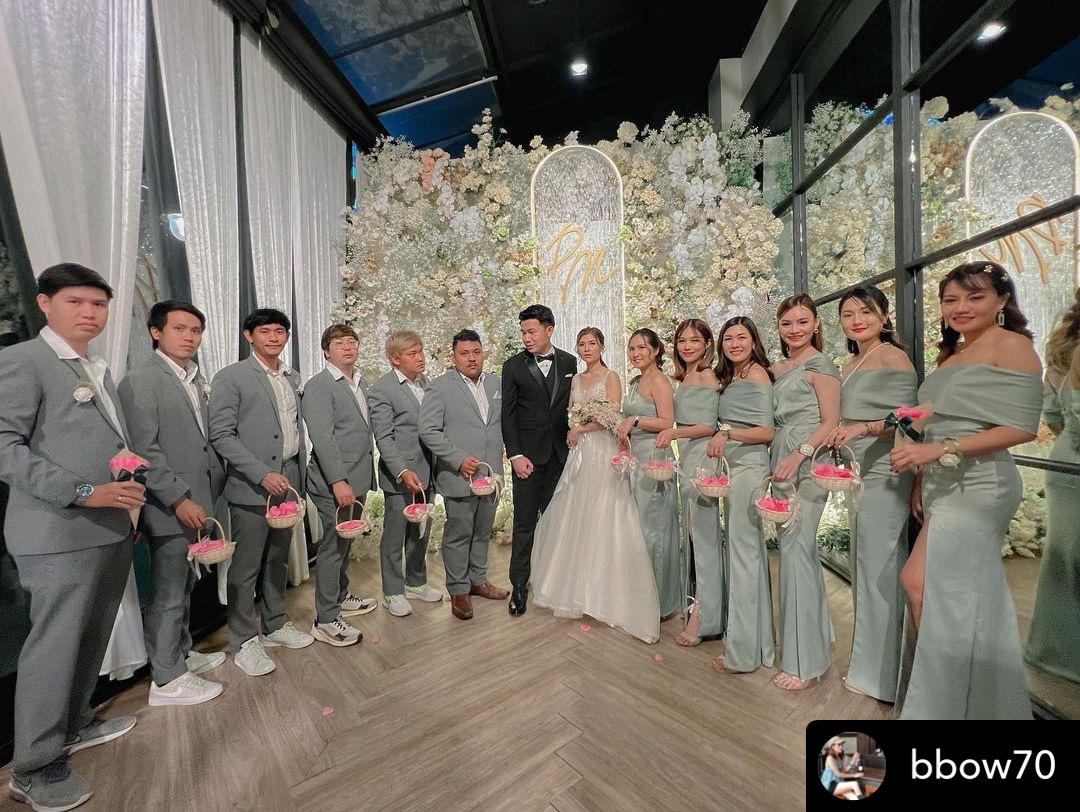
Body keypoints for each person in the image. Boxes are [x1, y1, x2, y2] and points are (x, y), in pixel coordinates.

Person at [0, 264, 141, 811]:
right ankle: (34, 767)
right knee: (54, 647)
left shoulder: (94, 368)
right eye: (76, 302)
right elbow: (6, 450)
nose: (89, 313)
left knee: (91, 633)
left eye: (98, 304)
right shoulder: (24, 361)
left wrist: (127, 475)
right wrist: (84, 491)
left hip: (109, 527)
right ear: (45, 303)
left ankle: (76, 722)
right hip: (57, 532)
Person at [892, 261, 1042, 719]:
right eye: (951, 299)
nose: (961, 308)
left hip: (981, 484)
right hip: (942, 483)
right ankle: (964, 702)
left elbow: (1022, 428)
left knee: (924, 584)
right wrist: (918, 466)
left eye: (975, 297)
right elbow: (927, 417)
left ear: (1002, 300)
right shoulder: (951, 356)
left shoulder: (1013, 346)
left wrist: (940, 449)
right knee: (943, 592)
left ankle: (946, 705)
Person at [117, 301, 227, 704]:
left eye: (196, 330)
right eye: (180, 328)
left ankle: (179, 653)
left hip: (199, 497)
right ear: (156, 332)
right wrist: (179, 498)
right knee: (167, 592)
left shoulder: (194, 377)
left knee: (184, 585)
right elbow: (143, 451)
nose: (190, 337)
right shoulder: (140, 381)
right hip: (169, 504)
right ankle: (166, 679)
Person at [530, 328, 661, 642]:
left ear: (602, 347)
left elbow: (613, 415)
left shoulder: (611, 377)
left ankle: (605, 594)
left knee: (606, 512)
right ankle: (577, 590)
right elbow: (571, 413)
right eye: (582, 344)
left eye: (592, 343)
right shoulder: (575, 379)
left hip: (602, 450)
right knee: (577, 514)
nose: (587, 348)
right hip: (580, 453)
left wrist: (582, 428)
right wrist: (574, 427)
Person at [209, 308, 313, 677]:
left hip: (289, 478)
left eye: (280, 331)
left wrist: (292, 475)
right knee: (246, 566)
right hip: (252, 484)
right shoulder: (231, 377)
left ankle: (274, 624)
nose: (273, 337)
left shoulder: (291, 376)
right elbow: (221, 435)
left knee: (278, 559)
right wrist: (261, 473)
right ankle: (243, 640)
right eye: (265, 331)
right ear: (248, 335)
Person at [825, 287, 915, 702]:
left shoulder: (892, 357)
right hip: (857, 473)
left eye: (866, 311)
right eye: (848, 314)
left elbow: (910, 417)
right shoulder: (849, 363)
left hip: (885, 471)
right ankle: (869, 667)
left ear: (884, 315)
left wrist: (862, 428)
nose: (857, 320)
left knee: (881, 570)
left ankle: (885, 676)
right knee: (865, 566)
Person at [770, 294, 840, 690]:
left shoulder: (820, 365)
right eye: (787, 323)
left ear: (816, 324)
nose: (794, 330)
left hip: (808, 461)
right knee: (794, 551)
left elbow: (831, 421)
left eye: (802, 322)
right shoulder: (778, 369)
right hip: (780, 457)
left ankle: (804, 662)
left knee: (797, 551)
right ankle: (812, 638)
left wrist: (800, 455)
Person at [418, 329, 510, 620]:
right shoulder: (440, 387)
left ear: (483, 353)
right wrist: (457, 460)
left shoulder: (496, 383)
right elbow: (428, 430)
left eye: (476, 352)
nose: (472, 358)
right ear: (453, 356)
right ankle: (458, 590)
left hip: (491, 475)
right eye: (464, 353)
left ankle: (478, 581)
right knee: (459, 533)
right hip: (459, 475)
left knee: (482, 531)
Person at [706, 317, 776, 674]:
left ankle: (744, 653)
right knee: (743, 554)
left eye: (741, 337)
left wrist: (728, 434)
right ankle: (753, 643)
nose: (734, 344)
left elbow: (766, 432)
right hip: (733, 468)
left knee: (744, 555)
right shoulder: (733, 376)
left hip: (750, 468)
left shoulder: (758, 374)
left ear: (753, 341)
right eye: (728, 338)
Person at [301, 324, 378, 647]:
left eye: (352, 341)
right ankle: (325, 619)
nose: (347, 347)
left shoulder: (359, 382)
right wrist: (338, 481)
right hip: (333, 482)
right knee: (333, 547)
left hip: (356, 477)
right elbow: (323, 439)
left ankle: (341, 595)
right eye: (339, 343)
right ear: (326, 352)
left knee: (345, 542)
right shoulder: (318, 386)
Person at [500, 304, 576, 616]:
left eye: (531, 332)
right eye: (523, 333)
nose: (527, 338)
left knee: (559, 524)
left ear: (549, 329)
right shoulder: (512, 366)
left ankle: (557, 583)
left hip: (560, 456)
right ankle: (519, 587)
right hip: (527, 460)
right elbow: (507, 415)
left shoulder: (569, 362)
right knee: (524, 524)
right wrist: (516, 455)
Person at [1025, 286, 1080, 684]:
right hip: (1072, 465)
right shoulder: (1068, 353)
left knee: (1066, 557)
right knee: (1068, 557)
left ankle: (1056, 652)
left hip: (1065, 458)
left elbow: (1055, 417)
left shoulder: (1061, 351)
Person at [368, 330, 441, 616]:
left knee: (421, 531)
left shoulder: (426, 383)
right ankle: (393, 592)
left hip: (429, 470)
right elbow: (384, 438)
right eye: (413, 353)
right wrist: (402, 470)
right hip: (401, 475)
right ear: (395, 358)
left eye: (421, 351)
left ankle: (416, 583)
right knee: (394, 536)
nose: (421, 357)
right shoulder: (382, 389)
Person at [658, 319, 722, 647]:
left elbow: (710, 426)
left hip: (702, 458)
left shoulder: (708, 375)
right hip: (687, 457)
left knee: (704, 538)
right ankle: (701, 607)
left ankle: (706, 618)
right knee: (696, 537)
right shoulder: (685, 377)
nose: (687, 346)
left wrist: (674, 432)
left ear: (708, 344)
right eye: (682, 341)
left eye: (695, 340)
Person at [615, 329, 680, 620]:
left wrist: (636, 420)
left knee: (655, 530)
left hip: (655, 460)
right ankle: (641, 596)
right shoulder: (636, 381)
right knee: (639, 528)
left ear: (655, 350)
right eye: (632, 348)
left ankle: (660, 602)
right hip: (636, 459)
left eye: (641, 347)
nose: (636, 353)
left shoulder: (659, 380)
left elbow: (667, 422)